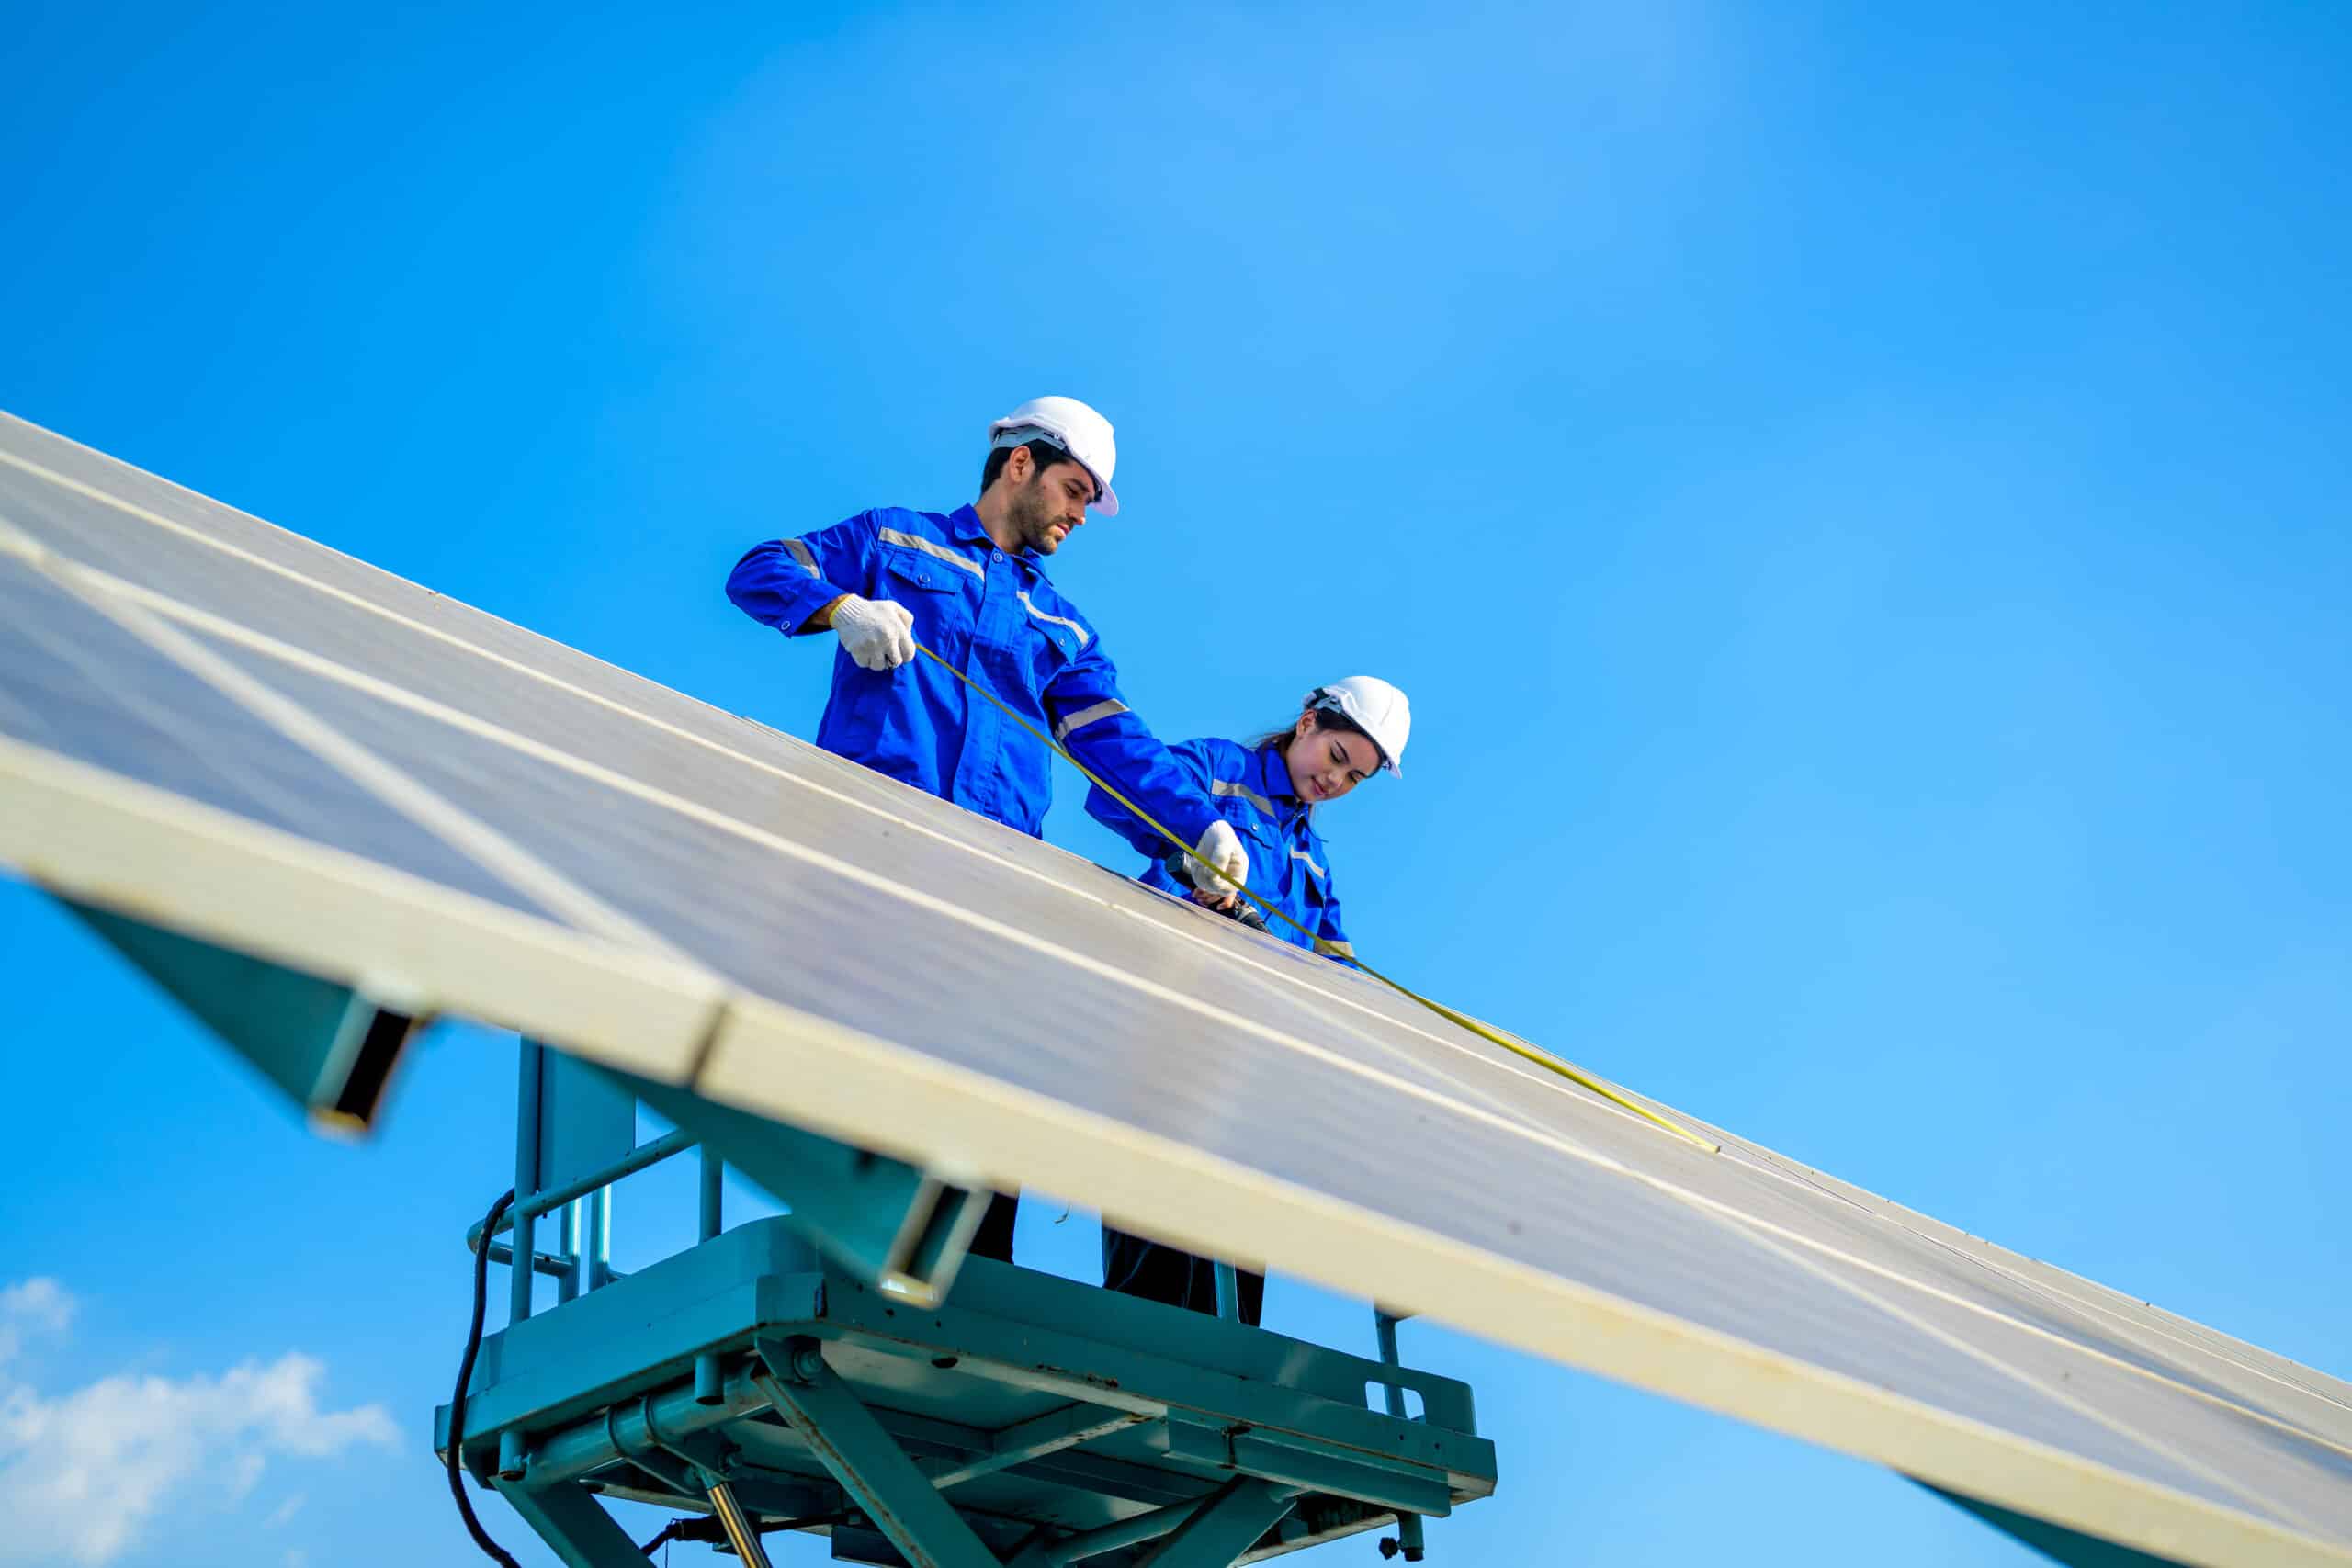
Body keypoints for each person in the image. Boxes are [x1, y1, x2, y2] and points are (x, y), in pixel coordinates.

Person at [725, 396, 1252, 1267]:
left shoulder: (1063, 628)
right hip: (872, 868)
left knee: (985, 1105)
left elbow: (1115, 745)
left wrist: (1198, 825)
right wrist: (837, 607)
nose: (1081, 516)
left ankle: (972, 1296)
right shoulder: (894, 542)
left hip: (992, 893)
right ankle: (862, 1274)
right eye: (1074, 490)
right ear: (1020, 465)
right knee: (877, 1095)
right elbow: (758, 569)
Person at [1082, 676, 1411, 1322]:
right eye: (1337, 758)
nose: (1336, 782)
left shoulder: (1311, 863)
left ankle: (1218, 1401)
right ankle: (1144, 1385)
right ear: (1309, 721)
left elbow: (1337, 981)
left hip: (1248, 1085)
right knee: (1159, 1258)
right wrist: (1194, 847)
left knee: (1235, 1278)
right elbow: (1122, 789)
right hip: (1167, 1050)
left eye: (1356, 779)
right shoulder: (1215, 771)